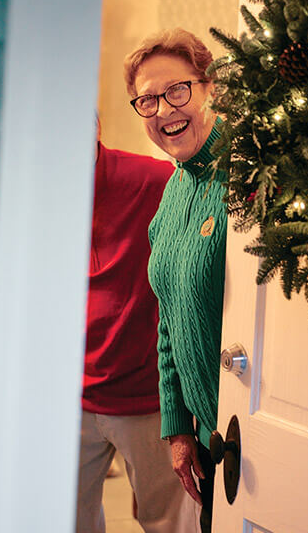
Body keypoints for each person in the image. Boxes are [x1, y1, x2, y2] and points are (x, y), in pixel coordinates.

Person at [123, 29, 226, 533]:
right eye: (147, 100)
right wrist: (178, 430)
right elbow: (168, 319)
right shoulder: (172, 192)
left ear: (208, 88)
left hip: (249, 424)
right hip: (207, 435)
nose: (164, 110)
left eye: (177, 91)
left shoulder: (246, 176)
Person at [76, 121, 196, 533]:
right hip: (70, 396)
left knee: (170, 523)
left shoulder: (156, 179)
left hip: (150, 397)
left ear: (93, 128)